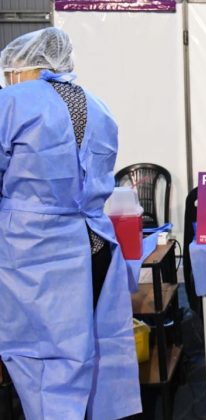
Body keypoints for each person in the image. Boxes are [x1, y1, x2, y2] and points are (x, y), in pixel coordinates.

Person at [0, 28, 141, 419]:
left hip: (35, 252)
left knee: (45, 360)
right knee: (94, 350)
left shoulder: (9, 103)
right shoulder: (99, 106)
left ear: (22, 66)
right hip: (94, 244)